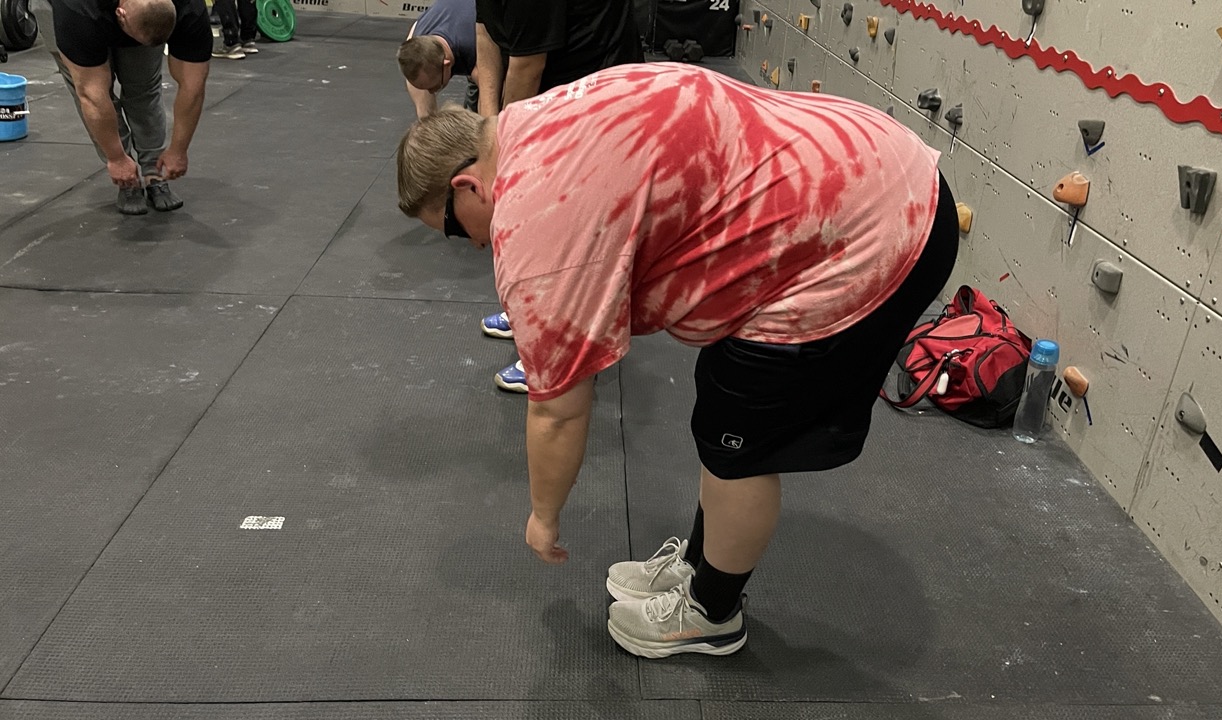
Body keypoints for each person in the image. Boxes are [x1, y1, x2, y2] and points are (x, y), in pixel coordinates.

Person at [395, 63, 958, 658]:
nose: (475, 243)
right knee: (723, 405)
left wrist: (543, 514)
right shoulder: (530, 121)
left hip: (873, 223)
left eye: (453, 229)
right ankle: (700, 564)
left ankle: (712, 613)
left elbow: (558, 411)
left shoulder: (533, 216)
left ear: (467, 187)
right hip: (866, 162)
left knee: (741, 440)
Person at [471, 0, 643, 393]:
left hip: (599, 92)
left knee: (570, 228)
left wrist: (505, 149)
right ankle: (533, 313)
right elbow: (486, 32)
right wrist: (489, 125)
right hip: (555, 88)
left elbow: (527, 65)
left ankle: (560, 352)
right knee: (535, 214)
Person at [30, 0, 212, 215]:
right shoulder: (75, 12)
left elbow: (193, 87)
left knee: (144, 87)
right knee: (97, 92)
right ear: (121, 14)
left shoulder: (189, 7)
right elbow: (92, 97)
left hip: (136, 11)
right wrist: (116, 158)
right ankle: (127, 178)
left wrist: (179, 150)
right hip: (68, 11)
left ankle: (154, 172)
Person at [397, 0, 478, 117]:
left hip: (488, 33)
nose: (431, 91)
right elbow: (424, 112)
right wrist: (428, 124)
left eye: (434, 87)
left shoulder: (472, 47)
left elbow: (492, 90)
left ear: (446, 65)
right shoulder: (416, 42)